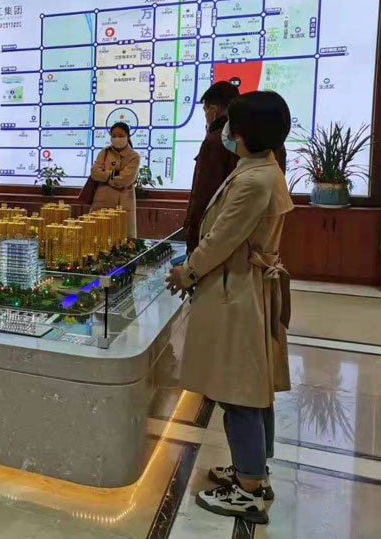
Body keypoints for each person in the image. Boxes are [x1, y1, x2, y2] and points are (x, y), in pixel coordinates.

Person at [165, 91, 294, 525]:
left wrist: (187, 272)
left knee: (239, 391)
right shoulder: (258, 167)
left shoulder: (255, 179)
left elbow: (222, 238)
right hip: (239, 284)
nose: (224, 130)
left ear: (244, 131)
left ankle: (250, 489)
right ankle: (251, 470)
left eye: (230, 124)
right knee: (248, 387)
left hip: (235, 289)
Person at [184, 82, 288, 254]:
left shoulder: (219, 142)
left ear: (214, 110)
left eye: (205, 110)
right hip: (260, 245)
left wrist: (192, 241)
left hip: (221, 244)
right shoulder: (271, 150)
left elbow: (203, 193)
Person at [89, 122, 141, 237]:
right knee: (98, 237)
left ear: (128, 136)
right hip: (101, 203)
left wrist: (105, 175)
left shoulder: (134, 156)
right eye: (114, 136)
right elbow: (94, 172)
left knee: (122, 239)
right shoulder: (104, 152)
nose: (117, 138)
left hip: (123, 204)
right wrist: (114, 174)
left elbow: (125, 180)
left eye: (121, 135)